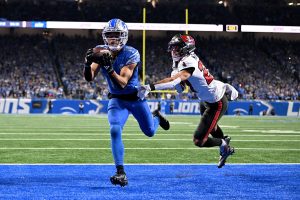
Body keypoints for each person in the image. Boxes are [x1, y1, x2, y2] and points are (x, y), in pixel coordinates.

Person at [83, 18, 170, 187]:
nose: (113, 39)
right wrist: (87, 64)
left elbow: (123, 82)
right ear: (105, 37)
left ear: (124, 36)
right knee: (115, 130)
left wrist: (109, 69)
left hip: (135, 98)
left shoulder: (131, 53)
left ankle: (157, 117)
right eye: (110, 35)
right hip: (117, 100)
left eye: (117, 35)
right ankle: (120, 172)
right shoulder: (100, 51)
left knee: (150, 132)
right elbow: (89, 78)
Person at [138, 33, 238, 168]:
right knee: (212, 128)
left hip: (216, 102)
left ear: (187, 48)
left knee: (199, 140)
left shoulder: (187, 62)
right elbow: (180, 87)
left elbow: (175, 82)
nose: (174, 51)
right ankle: (224, 145)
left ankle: (224, 144)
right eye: (172, 48)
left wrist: (150, 87)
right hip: (206, 100)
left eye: (177, 48)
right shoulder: (185, 60)